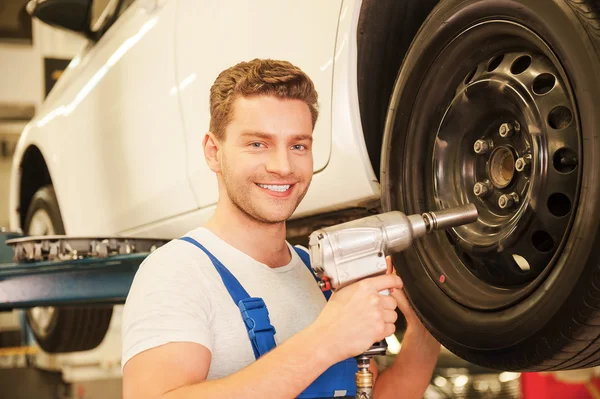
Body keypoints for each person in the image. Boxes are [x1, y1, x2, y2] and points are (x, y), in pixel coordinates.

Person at [121, 58, 441, 399]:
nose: (283, 166)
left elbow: (372, 394)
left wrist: (426, 330)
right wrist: (326, 339)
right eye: (258, 144)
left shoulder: (319, 273)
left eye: (298, 145)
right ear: (214, 152)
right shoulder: (176, 272)